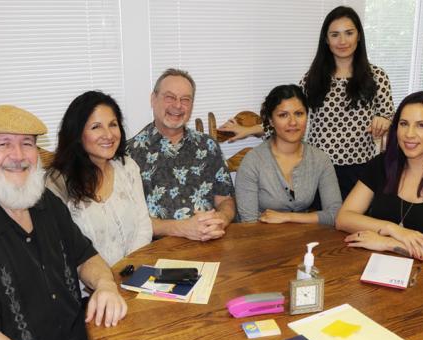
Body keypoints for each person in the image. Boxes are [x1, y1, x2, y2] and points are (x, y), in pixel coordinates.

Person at [0, 105, 126, 340]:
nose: (18, 156)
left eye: (27, 144)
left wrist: (106, 285)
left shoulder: (46, 202)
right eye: (3, 144)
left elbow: (86, 257)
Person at [219, 6, 394, 199]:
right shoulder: (313, 79)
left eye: (349, 33)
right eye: (335, 35)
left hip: (360, 170)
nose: (342, 41)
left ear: (359, 36)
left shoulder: (377, 77)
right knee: (319, 224)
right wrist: (248, 131)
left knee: (353, 224)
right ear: (326, 40)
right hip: (316, 169)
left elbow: (391, 120)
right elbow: (290, 117)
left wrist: (385, 121)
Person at [336, 91, 423, 268]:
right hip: (379, 270)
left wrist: (388, 243)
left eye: (421, 125)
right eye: (404, 124)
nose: (409, 134)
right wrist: (392, 229)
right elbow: (343, 218)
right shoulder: (382, 164)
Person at [126, 68, 236, 241]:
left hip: (210, 244)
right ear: (153, 99)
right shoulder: (129, 154)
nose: (178, 105)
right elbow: (130, 221)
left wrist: (221, 219)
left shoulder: (208, 146)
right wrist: (182, 229)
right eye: (170, 97)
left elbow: (225, 201)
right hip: (158, 252)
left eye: (185, 99)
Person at [47, 91, 152, 266]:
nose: (109, 135)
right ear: (77, 133)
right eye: (96, 127)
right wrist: (103, 279)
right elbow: (60, 250)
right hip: (89, 288)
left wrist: (128, 269)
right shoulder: (56, 183)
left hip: (132, 274)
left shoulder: (128, 167)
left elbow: (143, 225)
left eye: (113, 124)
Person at [236, 84, 342, 225]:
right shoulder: (253, 162)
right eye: (283, 115)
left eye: (299, 114)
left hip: (305, 238)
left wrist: (288, 217)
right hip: (262, 240)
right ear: (271, 121)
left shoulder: (320, 159)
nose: (293, 122)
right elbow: (248, 222)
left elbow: (336, 214)